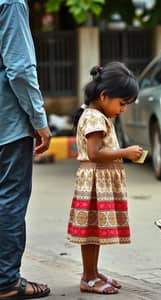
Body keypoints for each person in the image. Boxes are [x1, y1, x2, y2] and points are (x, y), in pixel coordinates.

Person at [67, 62, 143, 295]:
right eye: (122, 104)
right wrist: (125, 152)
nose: (123, 110)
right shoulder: (94, 118)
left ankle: (93, 272)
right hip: (94, 182)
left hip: (100, 181)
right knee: (90, 232)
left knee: (94, 231)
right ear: (104, 96)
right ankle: (88, 278)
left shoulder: (98, 115)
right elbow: (95, 153)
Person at [0, 0, 52, 299]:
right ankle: (6, 281)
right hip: (7, 122)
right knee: (9, 199)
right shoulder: (11, 3)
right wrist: (39, 120)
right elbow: (19, 69)